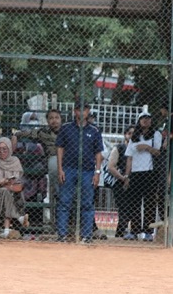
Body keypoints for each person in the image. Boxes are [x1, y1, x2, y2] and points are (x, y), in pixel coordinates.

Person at [55, 102, 103, 243]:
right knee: (64, 202)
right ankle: (62, 235)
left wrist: (97, 172)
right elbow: (60, 149)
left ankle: (86, 235)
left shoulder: (94, 130)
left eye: (84, 109)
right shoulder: (66, 128)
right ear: (74, 111)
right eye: (78, 109)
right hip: (68, 168)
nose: (81, 112)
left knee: (87, 203)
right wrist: (60, 169)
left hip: (88, 170)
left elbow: (98, 153)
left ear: (88, 111)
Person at [12, 108, 62, 208]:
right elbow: (24, 133)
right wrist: (15, 136)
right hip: (53, 159)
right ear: (47, 120)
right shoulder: (43, 132)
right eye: (51, 118)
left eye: (57, 118)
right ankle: (56, 195)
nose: (54, 120)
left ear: (61, 119)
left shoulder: (67, 131)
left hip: (68, 159)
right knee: (53, 164)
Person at [123, 111, 162, 242]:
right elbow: (129, 157)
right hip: (136, 172)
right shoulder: (135, 136)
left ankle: (148, 232)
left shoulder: (155, 134)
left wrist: (146, 147)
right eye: (143, 118)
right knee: (134, 202)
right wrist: (127, 175)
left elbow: (158, 152)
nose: (146, 120)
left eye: (148, 118)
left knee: (149, 202)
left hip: (150, 172)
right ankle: (134, 230)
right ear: (139, 121)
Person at [0, 137, 29, 238]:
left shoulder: (15, 160)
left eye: (4, 149)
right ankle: (19, 218)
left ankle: (6, 231)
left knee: (6, 192)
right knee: (4, 192)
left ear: (9, 148)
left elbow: (17, 181)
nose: (2, 151)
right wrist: (0, 182)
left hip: (13, 191)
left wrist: (4, 182)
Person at [108, 125, 135, 239]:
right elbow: (111, 166)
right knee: (124, 207)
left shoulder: (138, 148)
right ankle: (120, 233)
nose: (131, 136)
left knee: (132, 208)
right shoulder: (119, 148)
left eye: (134, 133)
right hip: (120, 182)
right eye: (129, 133)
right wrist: (123, 178)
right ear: (125, 135)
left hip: (135, 182)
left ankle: (128, 232)